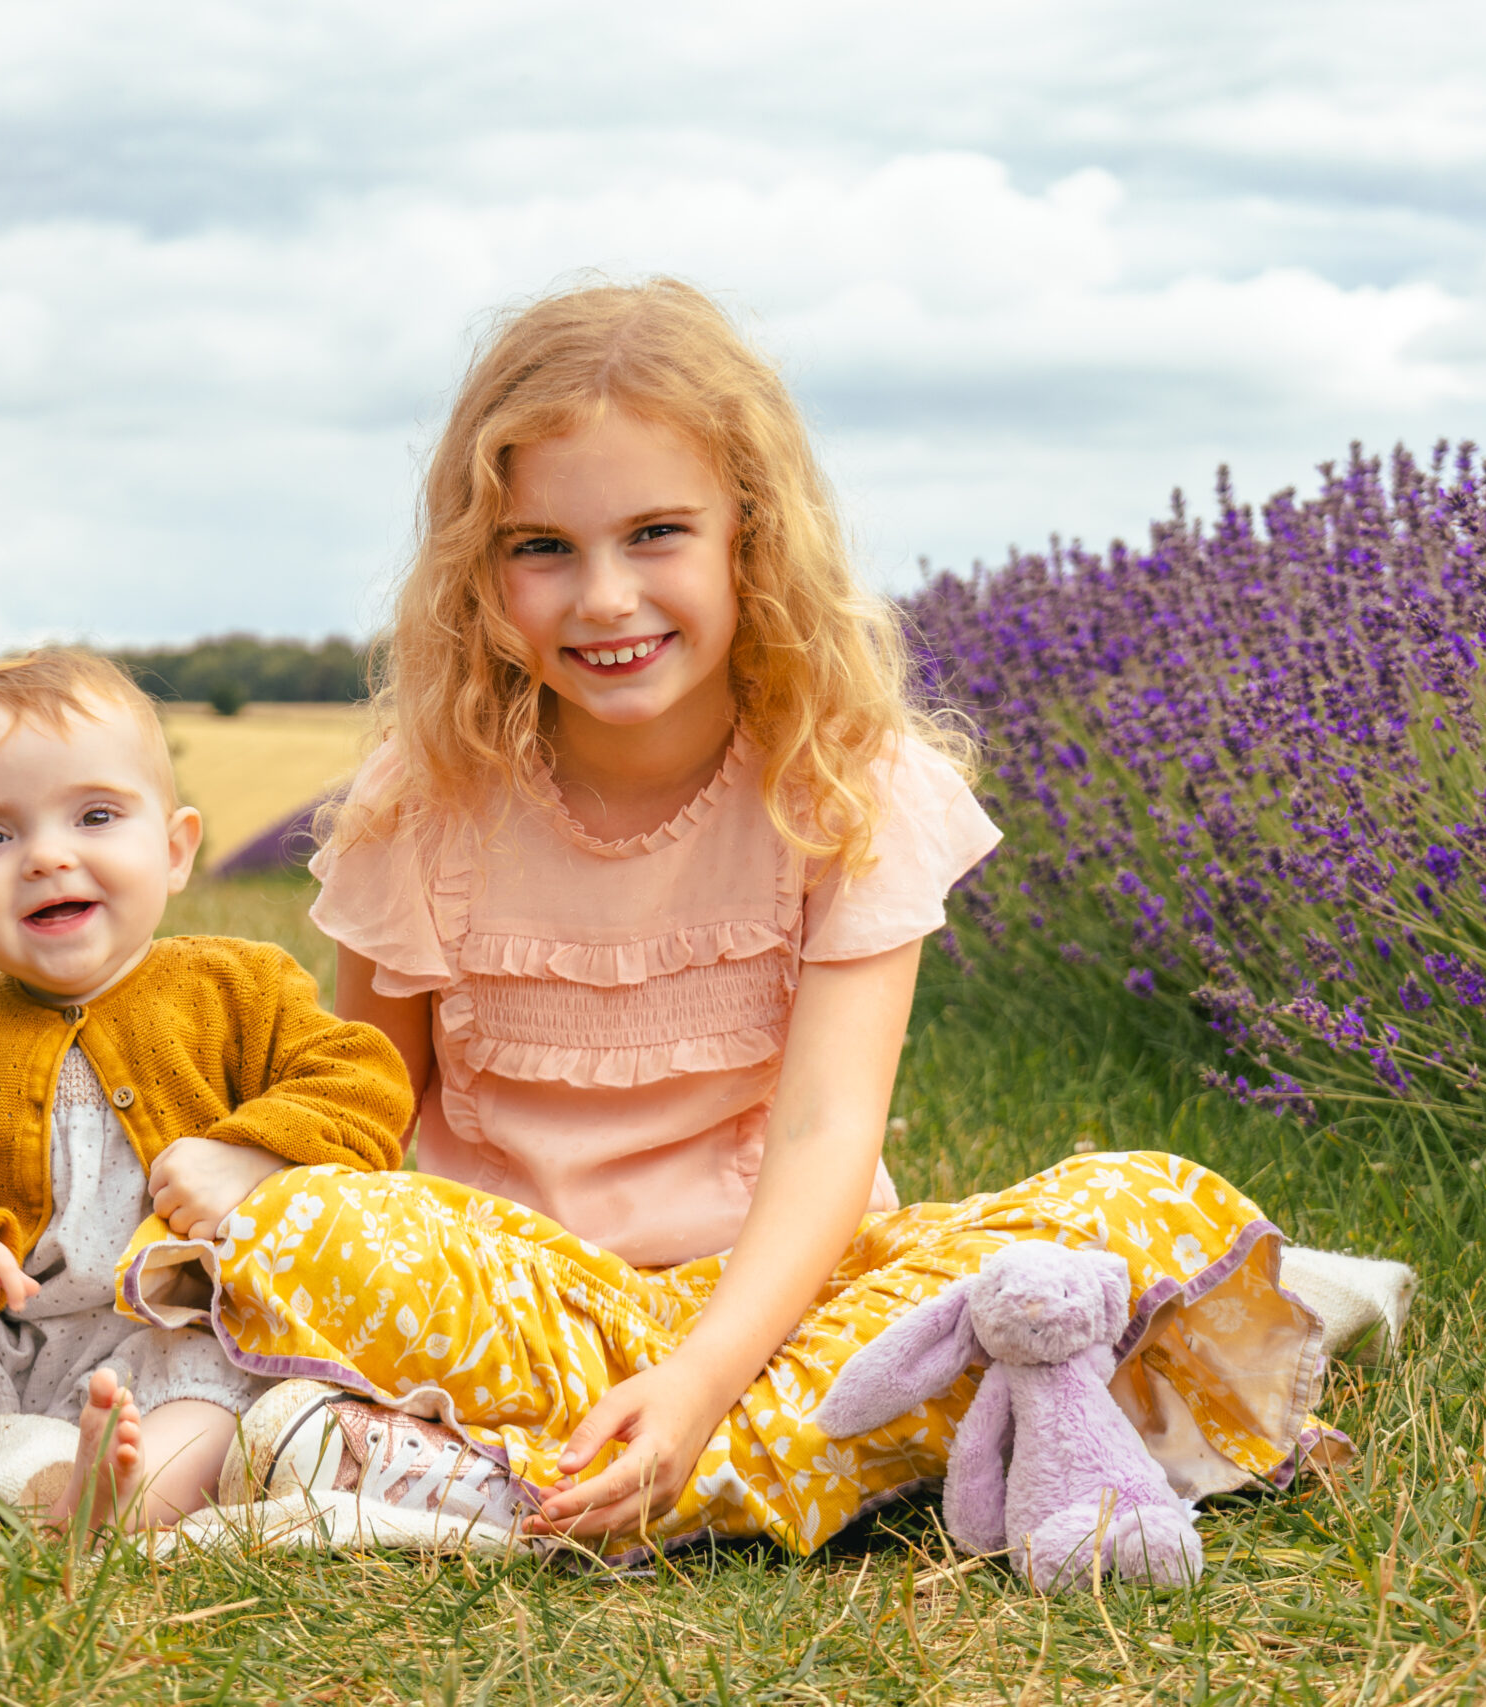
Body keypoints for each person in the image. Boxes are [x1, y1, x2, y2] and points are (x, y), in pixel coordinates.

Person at [121, 280, 1332, 1557]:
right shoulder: (422, 806)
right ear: (478, 572)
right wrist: (265, 1176)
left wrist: (699, 1382)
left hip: (795, 1297)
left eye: (655, 534)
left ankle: (493, 1483)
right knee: (307, 1228)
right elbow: (361, 1106)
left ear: (748, 537)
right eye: (541, 547)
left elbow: (824, 1137)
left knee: (1140, 1212)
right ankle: (757, 1466)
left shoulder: (846, 786)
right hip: (523, 1303)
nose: (602, 597)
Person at [0, 649, 411, 1530]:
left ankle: (125, 1490)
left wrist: (253, 1152)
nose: (46, 857)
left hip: (168, 1326)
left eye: (95, 816)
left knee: (225, 1373)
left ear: (176, 850)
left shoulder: (237, 989)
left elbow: (366, 1081)